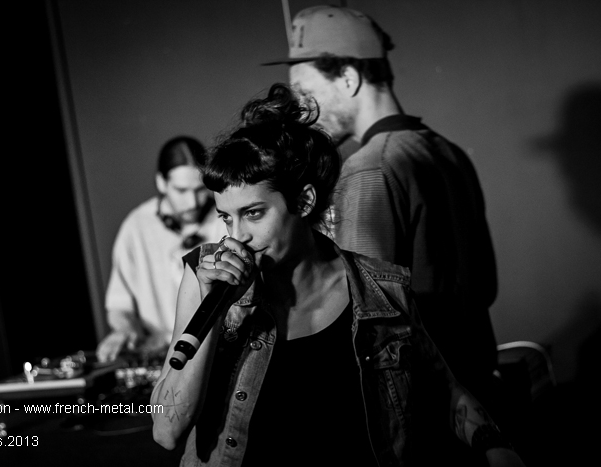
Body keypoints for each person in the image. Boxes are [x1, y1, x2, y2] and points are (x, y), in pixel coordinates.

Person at [151, 84, 525, 467]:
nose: (237, 235)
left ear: (304, 201)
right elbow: (166, 431)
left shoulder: (381, 291)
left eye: (254, 213)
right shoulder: (206, 277)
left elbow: (445, 390)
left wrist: (497, 447)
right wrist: (214, 310)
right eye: (226, 218)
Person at [262, 5, 499, 403]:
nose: (301, 111)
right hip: (475, 385)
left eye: (305, 91)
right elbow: (486, 285)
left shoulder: (369, 169)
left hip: (426, 401)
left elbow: (361, 321)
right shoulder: (449, 152)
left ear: (349, 77)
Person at [96, 136, 226, 362]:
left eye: (199, 190)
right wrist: (126, 329)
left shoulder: (224, 218)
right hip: (159, 357)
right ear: (161, 183)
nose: (192, 202)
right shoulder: (136, 227)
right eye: (181, 190)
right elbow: (119, 305)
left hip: (217, 352)